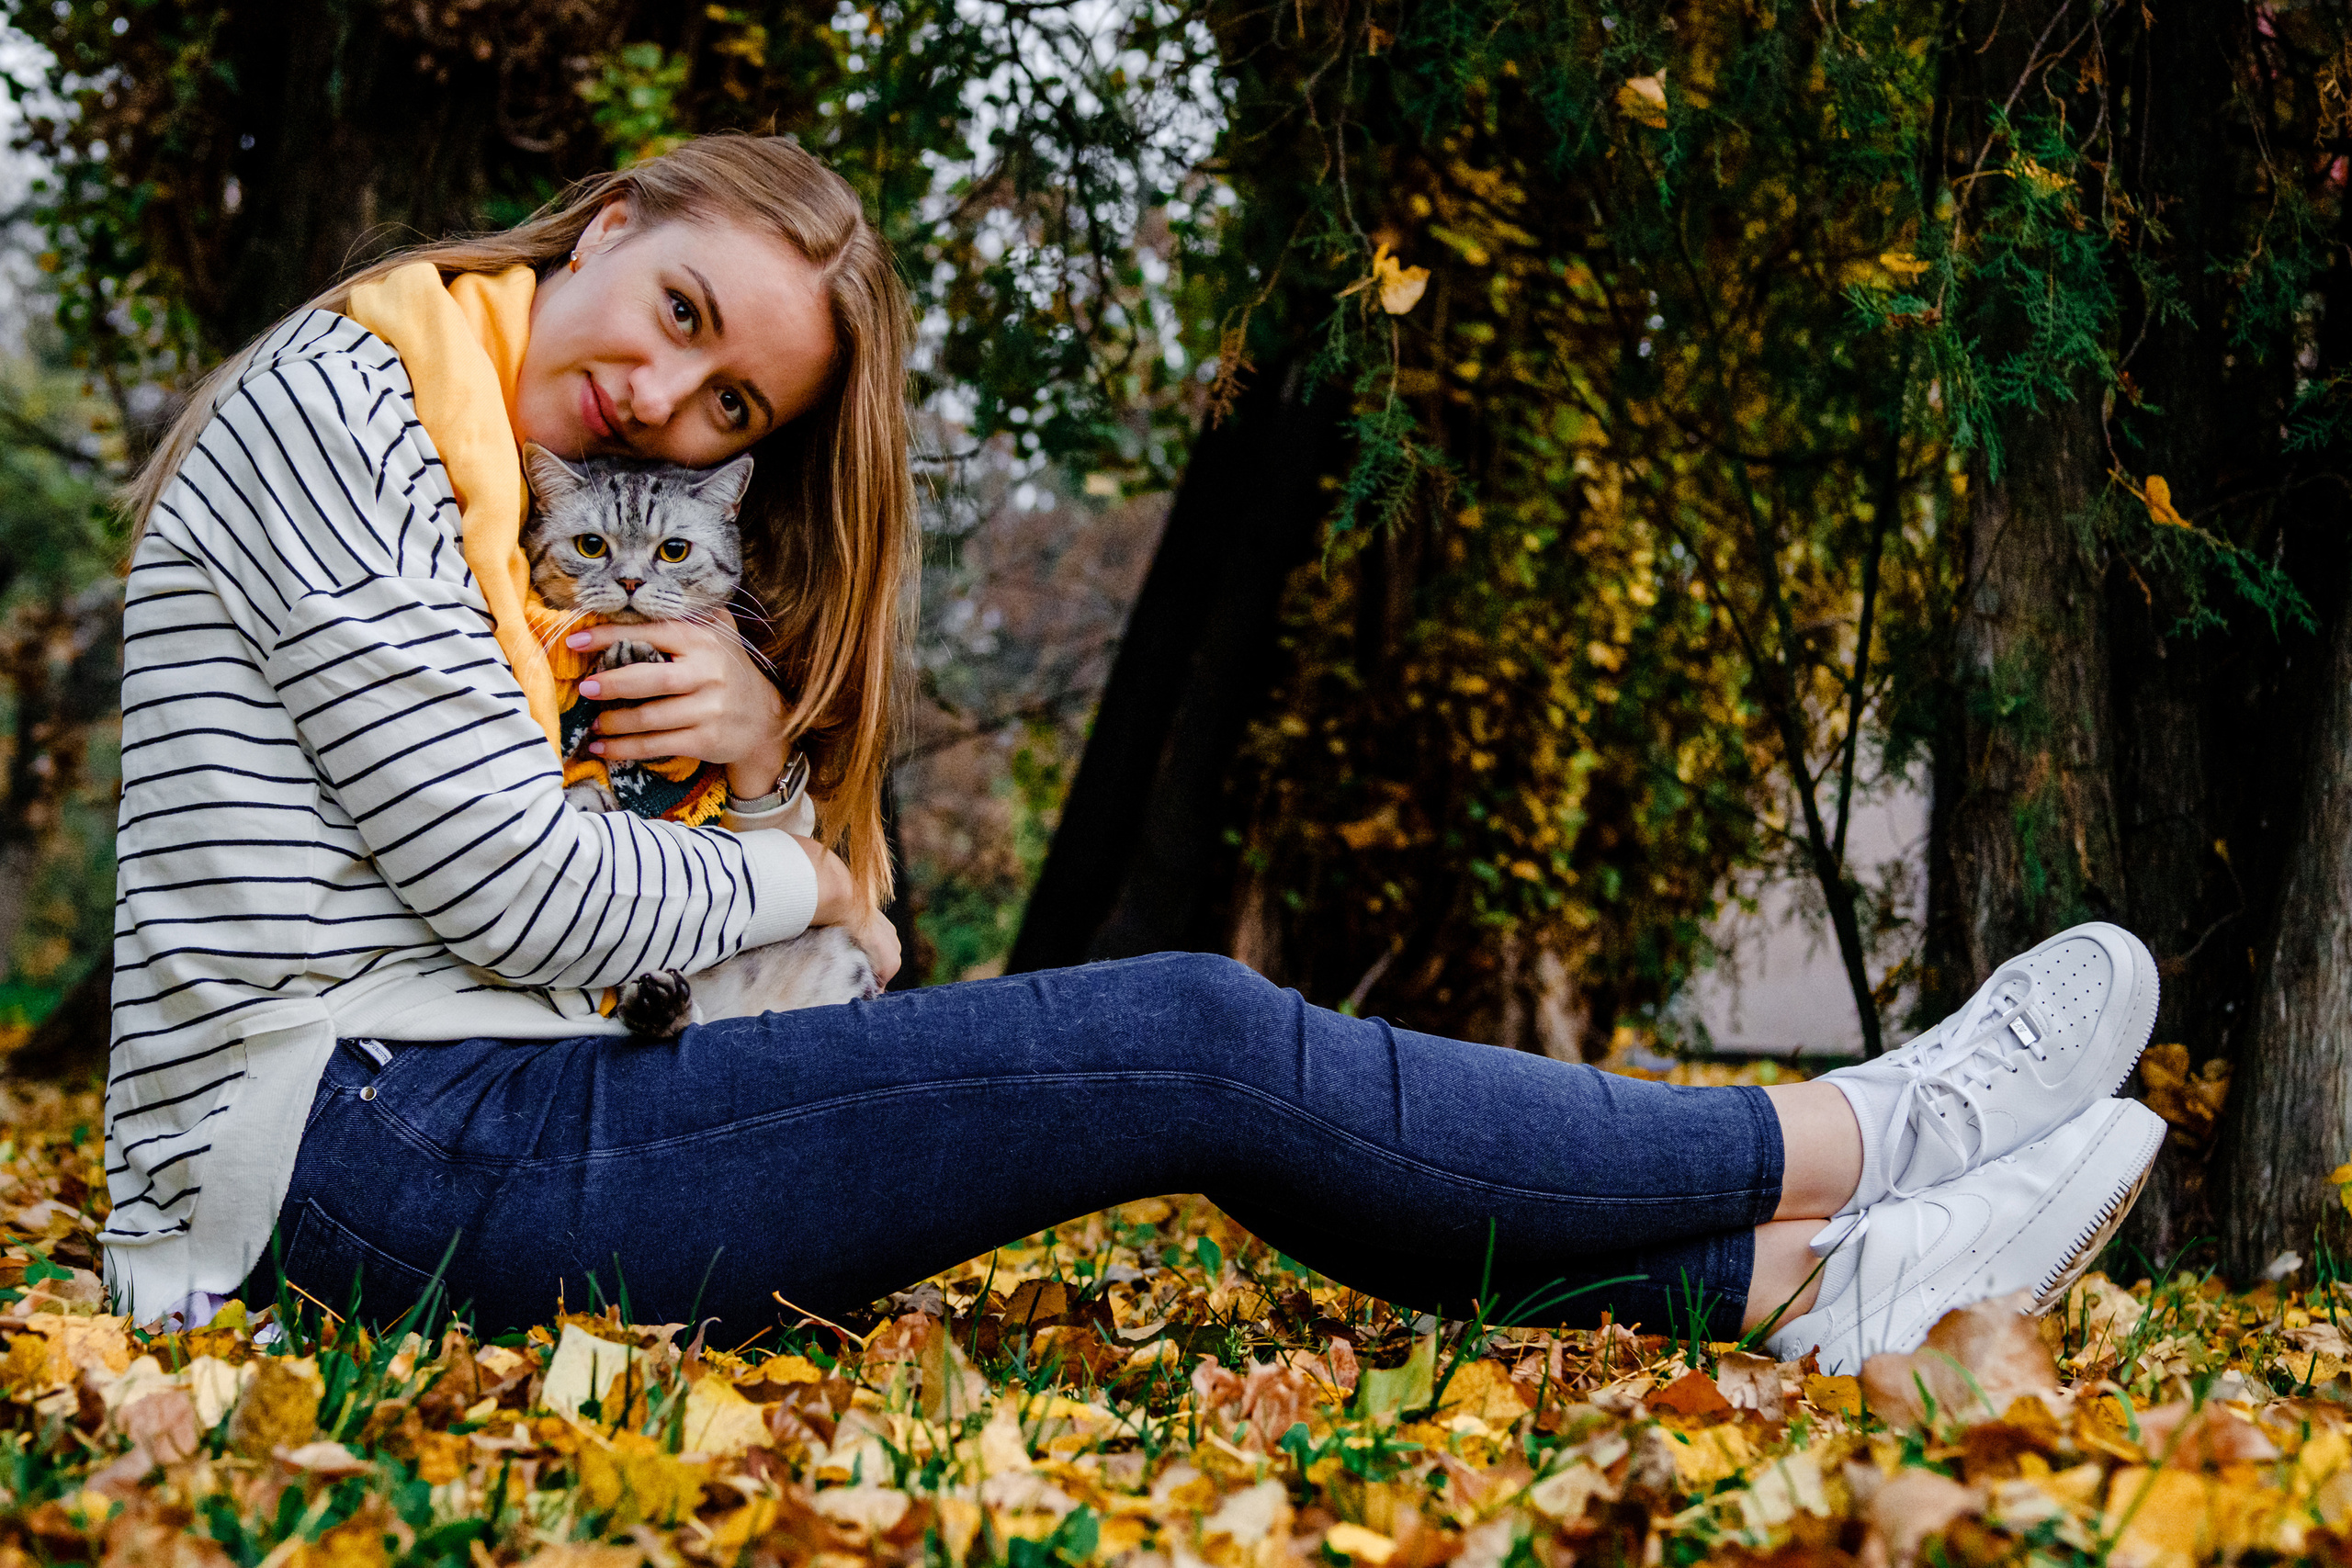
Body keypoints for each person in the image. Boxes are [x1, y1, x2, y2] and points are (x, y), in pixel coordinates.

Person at [102, 134, 2165, 1376]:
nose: (659, 395)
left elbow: (580, 913)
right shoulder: (357, 408)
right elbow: (524, 896)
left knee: (1184, 1084)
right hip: (353, 1166)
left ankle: (1796, 1277)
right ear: (618, 213)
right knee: (1182, 1033)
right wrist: (815, 875)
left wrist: (756, 773)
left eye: (728, 406)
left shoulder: (512, 492)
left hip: (448, 1123)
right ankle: (1856, 1134)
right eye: (674, 311)